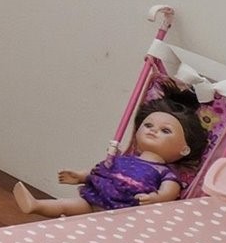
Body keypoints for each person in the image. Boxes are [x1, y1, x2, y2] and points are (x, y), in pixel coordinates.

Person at [13, 90, 207, 216]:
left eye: (165, 131)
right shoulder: (125, 158)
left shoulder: (165, 172)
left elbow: (169, 192)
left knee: (75, 211)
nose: (153, 131)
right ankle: (36, 205)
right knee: (66, 205)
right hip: (96, 200)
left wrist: (156, 199)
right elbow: (103, 172)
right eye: (148, 125)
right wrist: (81, 176)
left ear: (184, 149)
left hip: (124, 212)